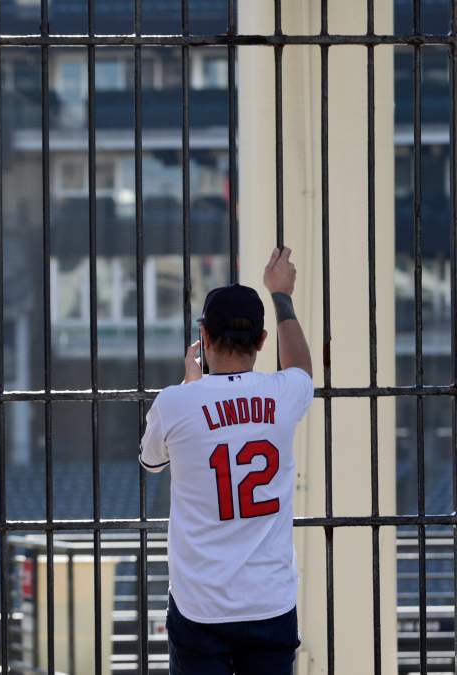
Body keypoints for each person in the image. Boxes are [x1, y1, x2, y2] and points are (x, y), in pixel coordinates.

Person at [140, 247, 313, 675]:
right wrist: (282, 295)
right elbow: (302, 368)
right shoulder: (282, 394)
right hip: (270, 601)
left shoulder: (175, 403)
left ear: (203, 336)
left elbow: (151, 462)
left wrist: (189, 382)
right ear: (261, 341)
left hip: (201, 605)